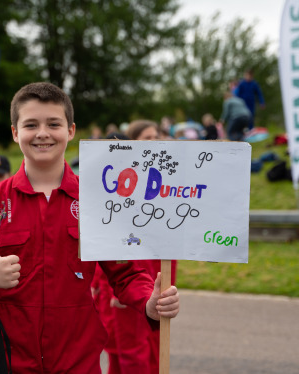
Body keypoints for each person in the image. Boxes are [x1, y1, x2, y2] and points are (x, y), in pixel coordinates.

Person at [0, 82, 180, 373]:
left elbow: (126, 273)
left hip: (78, 363)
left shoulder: (99, 202)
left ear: (70, 131)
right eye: (31, 124)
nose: (43, 133)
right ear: (15, 132)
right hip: (7, 363)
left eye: (53, 123)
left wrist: (150, 302)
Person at [95, 120, 178, 374]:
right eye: (148, 138)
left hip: (154, 282)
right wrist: (112, 291)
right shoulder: (123, 188)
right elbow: (108, 244)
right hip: (129, 288)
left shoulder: (160, 186)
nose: (155, 142)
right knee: (131, 356)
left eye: (157, 137)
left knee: (152, 350)